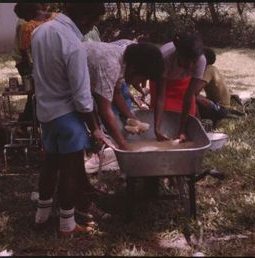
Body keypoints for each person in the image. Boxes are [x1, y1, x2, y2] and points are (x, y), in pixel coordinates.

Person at [31, 3, 108, 238]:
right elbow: (82, 95)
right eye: (94, 21)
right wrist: (94, 127)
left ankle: (41, 215)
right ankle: (67, 223)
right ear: (84, 18)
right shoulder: (73, 44)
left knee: (50, 163)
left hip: (46, 113)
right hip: (67, 115)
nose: (93, 27)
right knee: (71, 169)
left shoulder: (40, 31)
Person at [83, 40, 164, 150]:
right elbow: (104, 111)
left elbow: (116, 93)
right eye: (142, 78)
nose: (140, 83)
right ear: (134, 69)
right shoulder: (111, 65)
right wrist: (124, 146)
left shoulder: (123, 62)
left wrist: (131, 117)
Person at [149, 32, 206, 142]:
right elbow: (160, 98)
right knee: (165, 114)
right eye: (186, 61)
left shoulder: (201, 60)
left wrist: (182, 130)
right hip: (161, 80)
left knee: (190, 112)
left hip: (183, 81)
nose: (190, 66)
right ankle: (161, 133)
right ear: (178, 54)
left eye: (194, 62)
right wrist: (157, 129)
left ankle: (181, 132)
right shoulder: (165, 58)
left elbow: (189, 97)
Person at [196, 47, 230, 125]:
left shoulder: (209, 69)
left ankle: (199, 123)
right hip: (220, 106)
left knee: (191, 96)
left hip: (220, 109)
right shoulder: (212, 69)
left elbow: (195, 91)